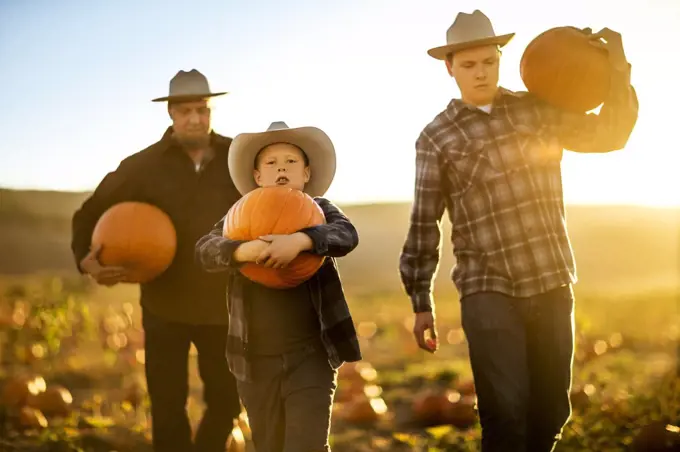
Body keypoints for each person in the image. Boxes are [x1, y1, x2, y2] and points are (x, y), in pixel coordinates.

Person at [399, 10, 638, 452]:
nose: (480, 73)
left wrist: (617, 66)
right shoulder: (436, 137)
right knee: (505, 414)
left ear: (500, 59)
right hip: (487, 288)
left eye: (488, 62)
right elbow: (424, 220)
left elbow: (611, 133)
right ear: (449, 67)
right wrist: (421, 300)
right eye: (468, 65)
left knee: (549, 413)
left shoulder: (537, 110)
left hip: (550, 277)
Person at [71, 69, 243, 452]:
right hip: (165, 304)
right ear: (170, 114)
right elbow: (91, 211)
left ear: (211, 109)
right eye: (185, 111)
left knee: (228, 401)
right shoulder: (142, 166)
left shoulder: (240, 158)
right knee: (167, 405)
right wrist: (87, 260)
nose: (195, 118)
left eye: (202, 109)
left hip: (226, 303)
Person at [195, 121, 362, 452]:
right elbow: (204, 250)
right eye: (271, 163)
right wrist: (242, 250)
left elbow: (346, 234)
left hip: (311, 355)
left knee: (307, 445)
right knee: (268, 445)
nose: (281, 169)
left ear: (306, 174)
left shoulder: (320, 210)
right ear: (258, 177)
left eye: (291, 162)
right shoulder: (237, 217)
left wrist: (301, 241)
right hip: (255, 361)